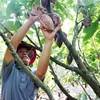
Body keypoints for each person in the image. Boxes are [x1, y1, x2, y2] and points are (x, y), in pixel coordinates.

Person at [1, 4, 61, 100]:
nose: (25, 53)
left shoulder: (32, 74)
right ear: (15, 58)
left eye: (27, 52)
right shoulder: (9, 71)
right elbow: (12, 46)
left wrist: (49, 40)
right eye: (20, 51)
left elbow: (40, 74)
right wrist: (31, 20)